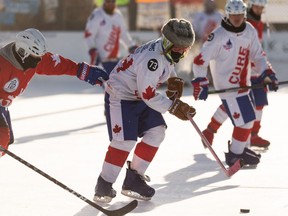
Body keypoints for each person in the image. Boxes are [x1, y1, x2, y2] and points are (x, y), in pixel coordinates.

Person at [93, 18, 196, 203]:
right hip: (120, 96)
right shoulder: (153, 60)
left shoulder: (165, 49)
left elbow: (165, 68)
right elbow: (148, 95)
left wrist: (172, 79)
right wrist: (173, 106)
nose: (181, 51)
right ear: (168, 42)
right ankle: (104, 184)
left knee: (157, 132)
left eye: (184, 47)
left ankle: (134, 178)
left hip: (137, 95)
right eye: (178, 47)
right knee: (124, 141)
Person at [191, 0, 278, 167]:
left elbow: (258, 55)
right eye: (233, 15)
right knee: (244, 122)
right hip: (227, 87)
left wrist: (267, 74)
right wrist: (201, 81)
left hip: (244, 84)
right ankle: (235, 155)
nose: (237, 18)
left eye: (239, 15)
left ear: (244, 15)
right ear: (227, 15)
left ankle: (238, 149)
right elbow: (199, 61)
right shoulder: (219, 36)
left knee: (249, 119)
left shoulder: (249, 30)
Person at [0, 28, 108, 157]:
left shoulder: (32, 59)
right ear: (23, 52)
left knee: (5, 142)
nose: (39, 61)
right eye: (36, 57)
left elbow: (55, 64)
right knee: (2, 138)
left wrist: (83, 71)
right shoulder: (3, 65)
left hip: (3, 106)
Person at [84, 0, 137, 75]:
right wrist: (92, 49)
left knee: (119, 85)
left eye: (113, 1)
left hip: (116, 61)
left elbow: (123, 34)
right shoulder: (97, 15)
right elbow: (89, 35)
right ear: (104, 2)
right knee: (109, 85)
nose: (111, 4)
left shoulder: (118, 15)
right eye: (108, 1)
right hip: (102, 61)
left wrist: (131, 46)